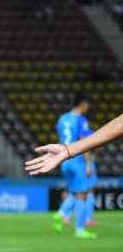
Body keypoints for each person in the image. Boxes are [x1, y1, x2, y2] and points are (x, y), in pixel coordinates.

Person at [51, 93, 98, 238]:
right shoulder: (81, 120)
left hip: (65, 160)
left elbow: (61, 140)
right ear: (83, 104)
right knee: (82, 194)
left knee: (74, 192)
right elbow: (84, 142)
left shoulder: (62, 119)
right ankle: (80, 230)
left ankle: (61, 213)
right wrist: (88, 164)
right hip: (78, 161)